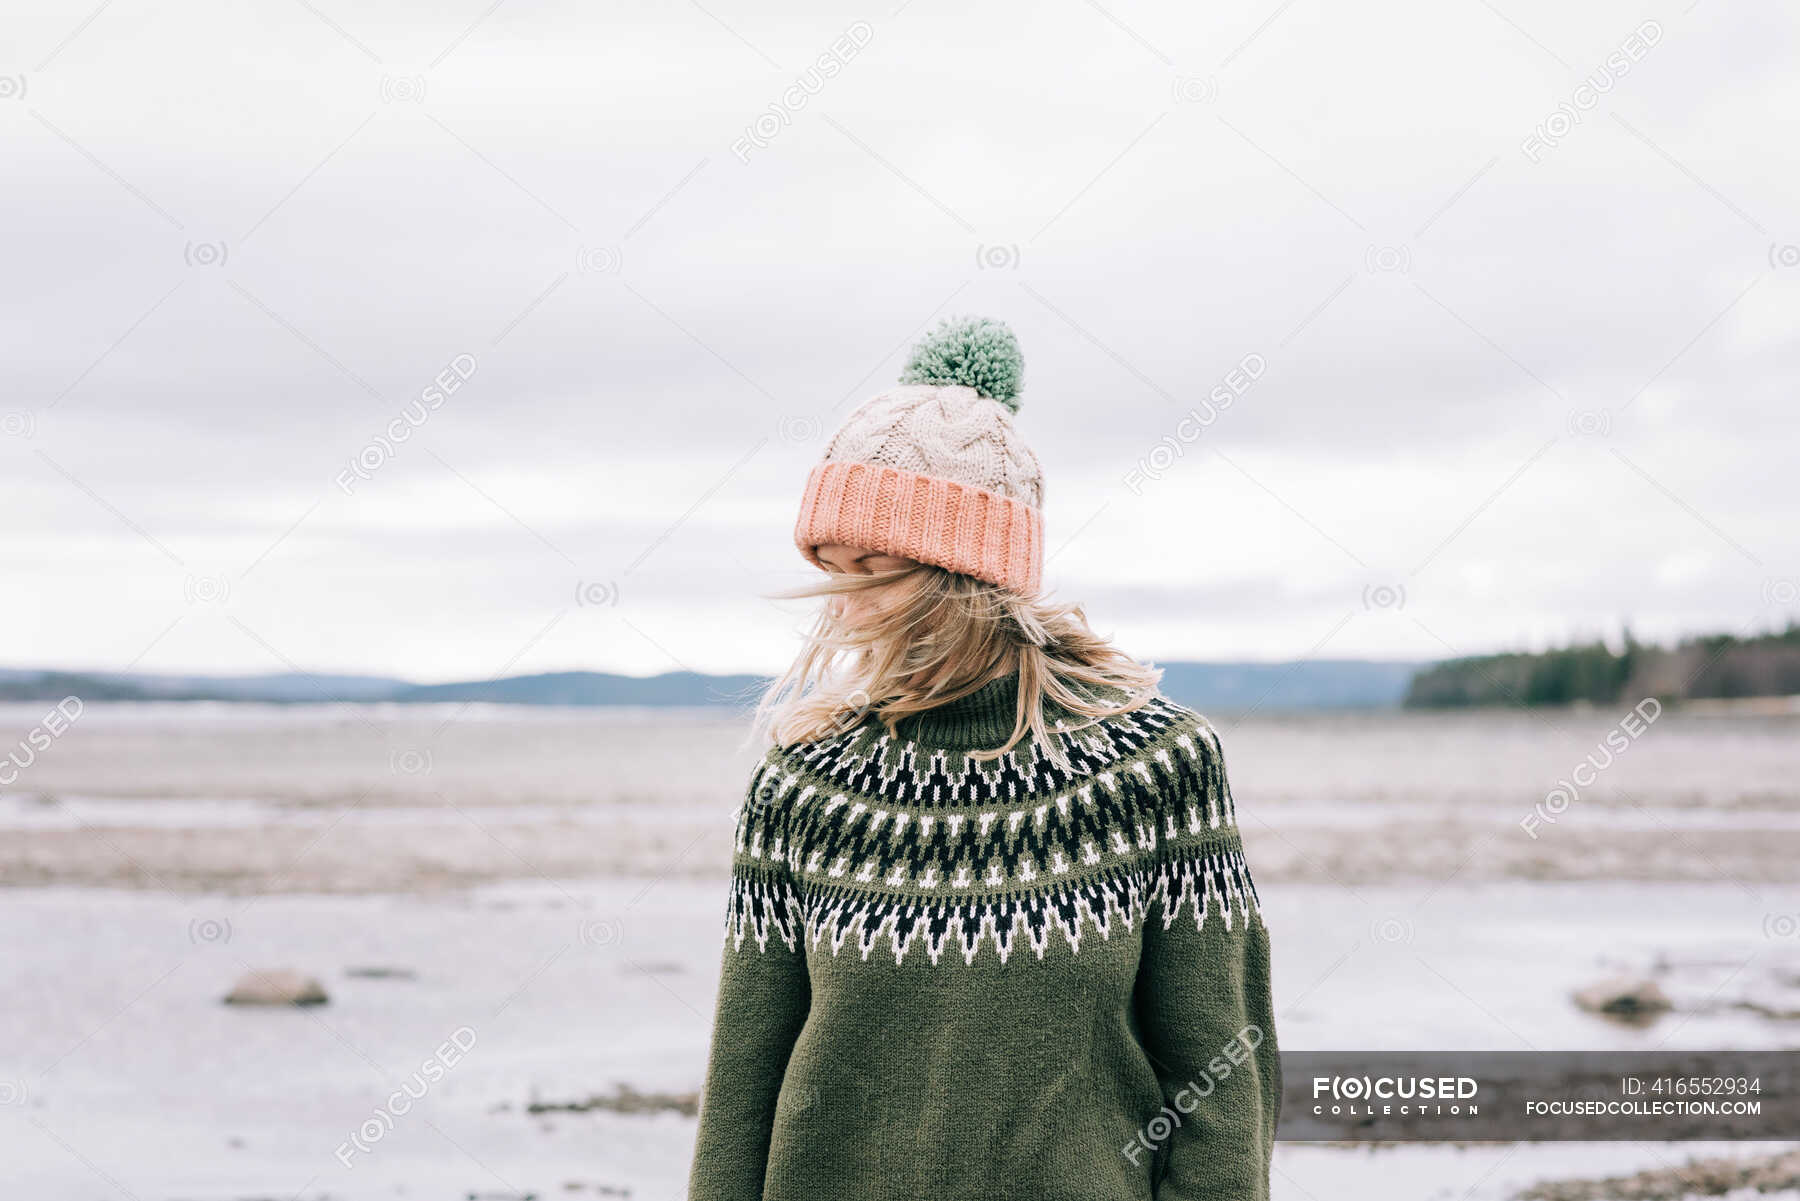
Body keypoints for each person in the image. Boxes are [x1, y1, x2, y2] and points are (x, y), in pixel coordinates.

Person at [688, 317, 1279, 1201]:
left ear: (965, 571)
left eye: (872, 569)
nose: (842, 606)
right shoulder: (804, 785)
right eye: (829, 565)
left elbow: (1223, 1091)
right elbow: (742, 1093)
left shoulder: (1155, 769)